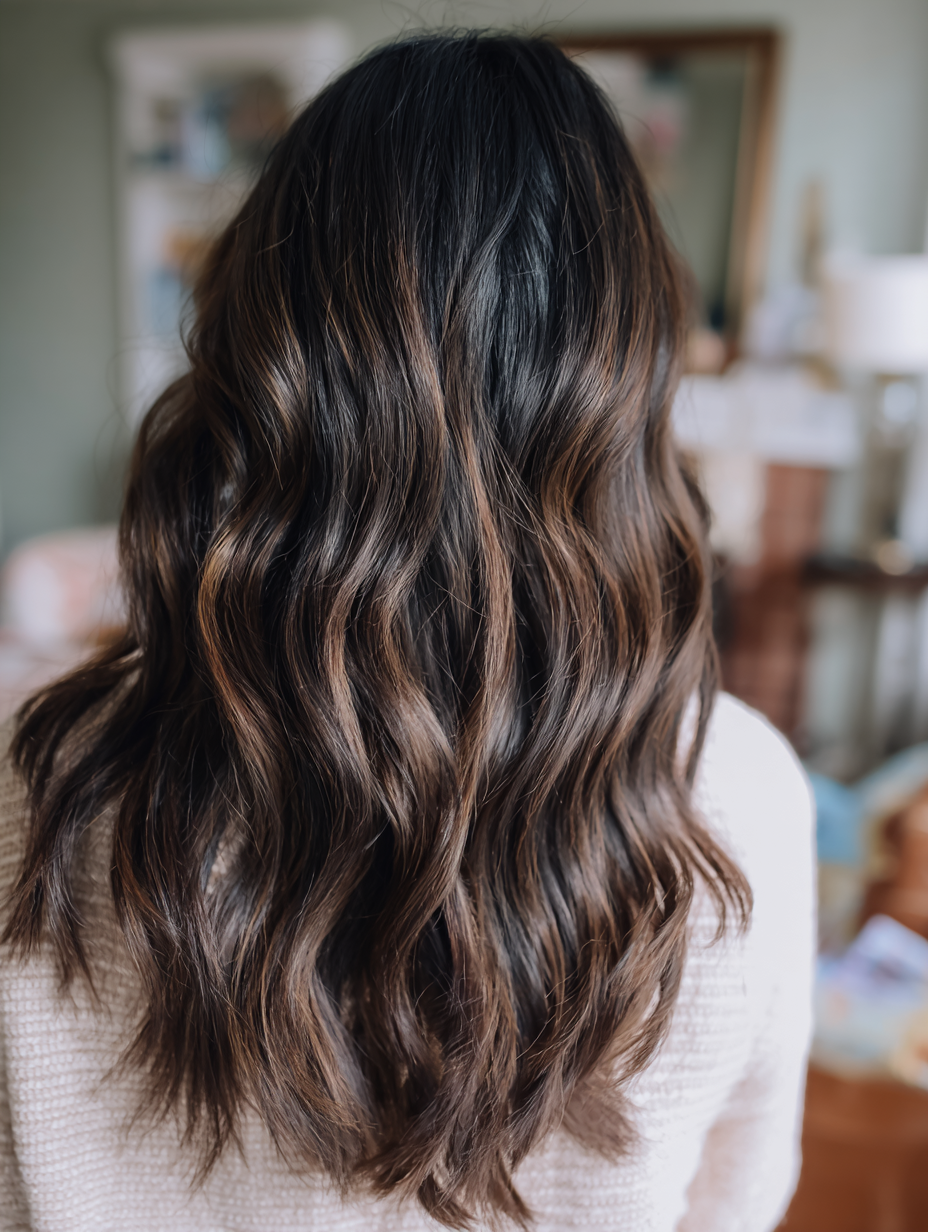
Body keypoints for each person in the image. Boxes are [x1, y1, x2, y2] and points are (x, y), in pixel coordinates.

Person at [0, 31, 814, 1232]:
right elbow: (736, 1203)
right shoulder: (739, 793)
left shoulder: (38, 784)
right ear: (623, 385)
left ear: (258, 357)